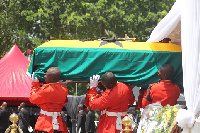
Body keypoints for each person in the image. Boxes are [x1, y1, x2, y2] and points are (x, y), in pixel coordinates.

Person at [29, 67, 69, 133]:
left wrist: (35, 84)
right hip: (58, 125)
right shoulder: (64, 89)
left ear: (52, 78)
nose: (45, 76)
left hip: (45, 125)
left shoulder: (45, 90)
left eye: (47, 75)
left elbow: (32, 99)